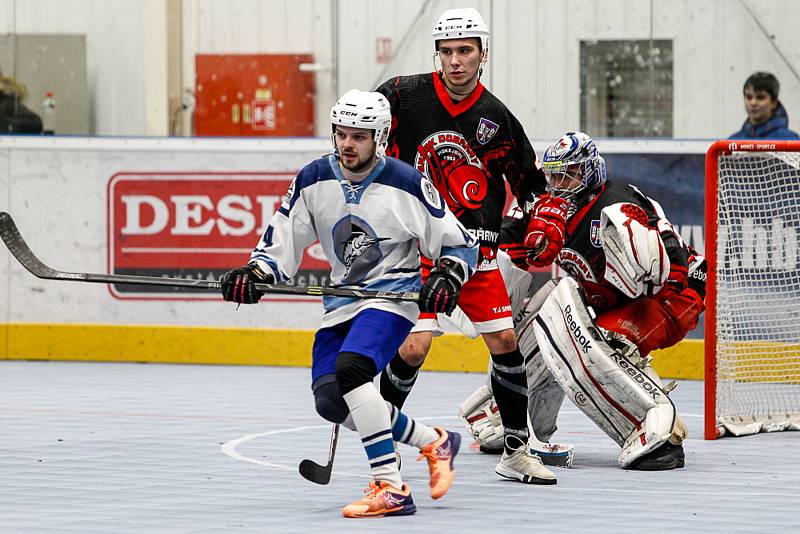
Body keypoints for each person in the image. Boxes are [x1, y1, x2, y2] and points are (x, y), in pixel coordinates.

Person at [221, 89, 479, 518]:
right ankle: (433, 441)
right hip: (341, 302)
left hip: (391, 298)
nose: (347, 144)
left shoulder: (406, 182)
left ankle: (391, 486)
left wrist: (449, 275)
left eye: (359, 136)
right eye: (341, 134)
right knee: (330, 401)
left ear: (380, 136)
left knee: (353, 370)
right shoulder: (313, 178)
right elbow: (282, 239)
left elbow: (458, 243)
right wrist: (256, 275)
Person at [375, 7, 556, 484]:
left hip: (472, 252)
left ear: (483, 54)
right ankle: (379, 446)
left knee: (505, 342)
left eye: (465, 51)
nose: (455, 61)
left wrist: (539, 224)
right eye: (447, 52)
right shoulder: (399, 96)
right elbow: (361, 144)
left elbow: (531, 185)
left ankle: (517, 451)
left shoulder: (497, 118)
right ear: (437, 55)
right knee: (413, 347)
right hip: (415, 251)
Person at [460, 132, 707, 470]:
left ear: (590, 172)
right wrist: (519, 244)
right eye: (554, 175)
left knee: (598, 336)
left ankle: (652, 425)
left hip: (671, 292)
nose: (560, 183)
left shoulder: (617, 200)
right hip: (616, 300)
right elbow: (502, 238)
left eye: (570, 174)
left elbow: (663, 262)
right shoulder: (545, 205)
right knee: (550, 305)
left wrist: (661, 274)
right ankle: (511, 418)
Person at [729, 71, 799, 139]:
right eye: (749, 97)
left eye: (760, 97)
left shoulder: (789, 140)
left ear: (774, 102)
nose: (753, 103)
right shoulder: (732, 141)